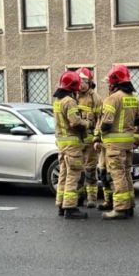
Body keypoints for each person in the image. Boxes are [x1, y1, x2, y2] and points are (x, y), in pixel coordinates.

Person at [95, 65, 139, 221]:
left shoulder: (112, 98)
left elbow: (107, 122)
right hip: (128, 145)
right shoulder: (133, 99)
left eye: (109, 82)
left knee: (117, 176)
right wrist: (136, 139)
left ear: (114, 83)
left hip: (114, 146)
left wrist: (100, 134)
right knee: (126, 175)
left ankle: (120, 209)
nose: (108, 85)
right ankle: (129, 206)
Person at [52, 71, 89, 220]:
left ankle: (61, 205)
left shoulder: (58, 101)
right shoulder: (69, 101)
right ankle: (70, 208)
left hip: (62, 145)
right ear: (74, 86)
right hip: (72, 146)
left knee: (63, 175)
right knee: (73, 176)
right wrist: (88, 124)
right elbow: (75, 122)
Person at [74, 67, 103, 208]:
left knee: (90, 169)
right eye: (80, 80)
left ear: (90, 81)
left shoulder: (95, 98)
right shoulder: (74, 97)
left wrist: (97, 138)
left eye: (85, 81)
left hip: (90, 140)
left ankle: (92, 198)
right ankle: (79, 197)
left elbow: (100, 119)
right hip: (77, 141)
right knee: (77, 170)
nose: (82, 84)